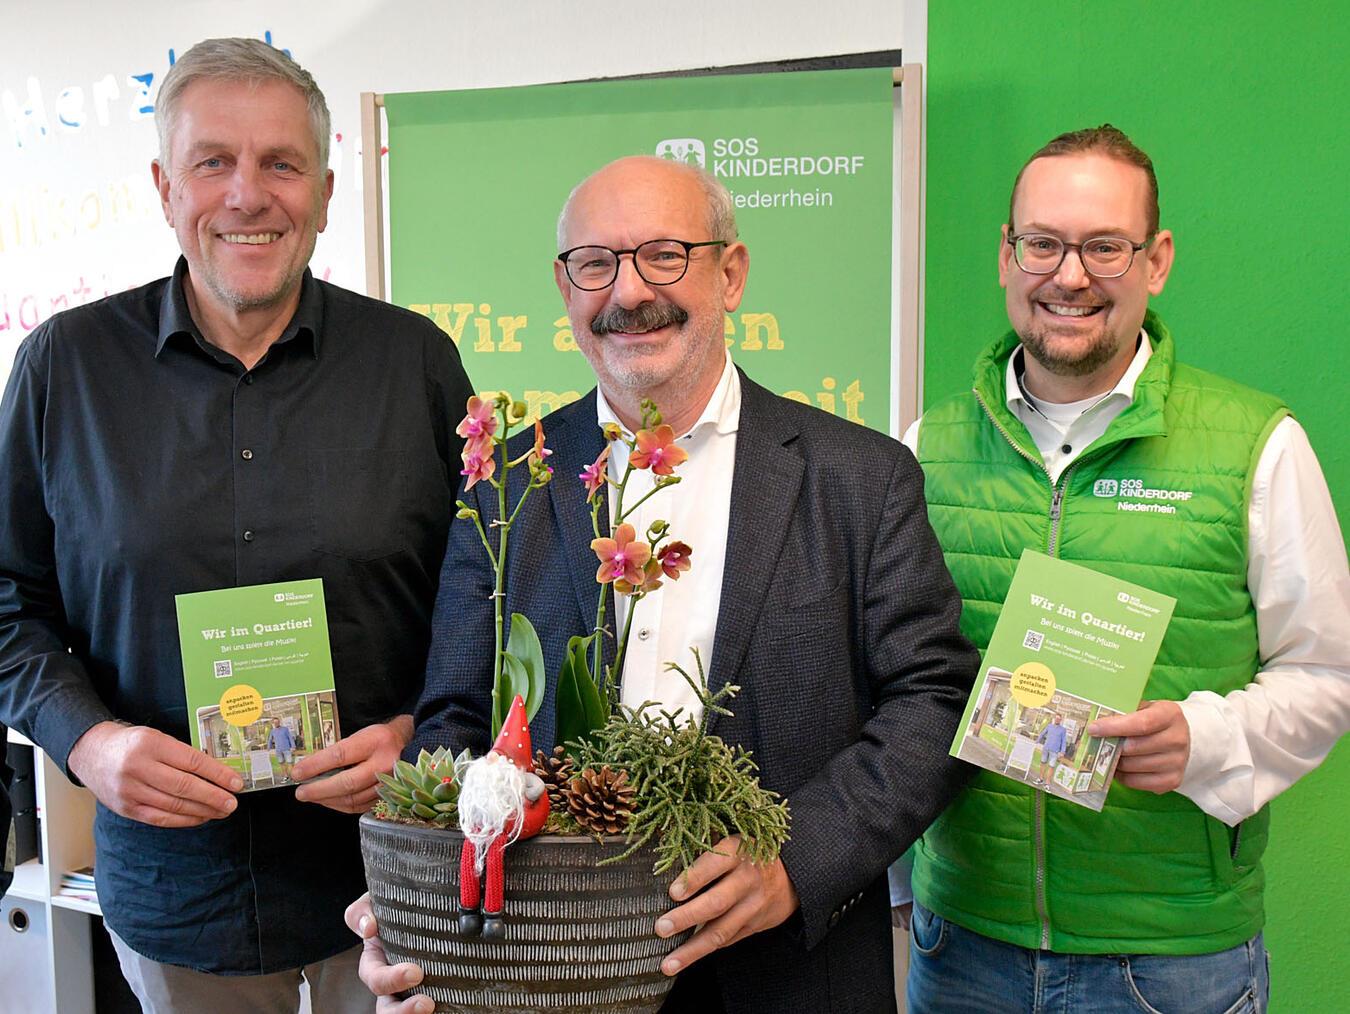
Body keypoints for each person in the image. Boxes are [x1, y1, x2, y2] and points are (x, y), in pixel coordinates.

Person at [348, 155, 980, 1013]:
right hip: (548, 970)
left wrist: (797, 864)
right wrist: (416, 903)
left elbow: (936, 698)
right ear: (565, 288)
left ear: (732, 273)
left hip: (789, 976)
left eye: (665, 256)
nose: (629, 291)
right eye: (595, 263)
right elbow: (455, 718)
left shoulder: (861, 478)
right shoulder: (507, 485)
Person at [0, 38, 473, 1012]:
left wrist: (421, 736)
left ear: (326, 193)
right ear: (165, 187)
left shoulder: (417, 364)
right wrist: (87, 743)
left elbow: (486, 597)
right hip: (178, 895)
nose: (247, 195)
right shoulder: (63, 370)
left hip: (396, 879)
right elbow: (8, 600)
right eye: (213, 161)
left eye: (281, 164)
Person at [903, 124, 1350, 1012]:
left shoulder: (1257, 444)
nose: (1069, 276)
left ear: (1157, 260)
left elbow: (1328, 673)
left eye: (1104, 246)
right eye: (1043, 244)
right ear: (1006, 256)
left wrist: (1205, 739)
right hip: (961, 949)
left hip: (1172, 961)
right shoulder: (926, 447)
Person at [1034, 713, 1066, 787]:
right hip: (1046, 748)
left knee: (1051, 766)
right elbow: (1042, 734)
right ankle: (1040, 779)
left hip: (1054, 751)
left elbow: (1063, 741)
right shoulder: (1049, 726)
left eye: (1059, 719)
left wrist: (1062, 751)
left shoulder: (1063, 730)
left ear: (1061, 720)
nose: (1057, 720)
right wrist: (1037, 741)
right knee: (1043, 763)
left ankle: (1047, 783)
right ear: (1054, 719)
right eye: (1056, 718)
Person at [269, 717, 297, 783]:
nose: (276, 723)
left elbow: (290, 738)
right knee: (281, 763)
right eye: (274, 722)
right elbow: (270, 739)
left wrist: (293, 746)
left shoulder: (285, 729)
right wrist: (268, 747)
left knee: (289, 763)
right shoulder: (272, 731)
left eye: (277, 722)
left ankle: (293, 777)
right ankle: (286, 777)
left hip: (286, 749)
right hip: (278, 750)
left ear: (279, 722)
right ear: (273, 723)